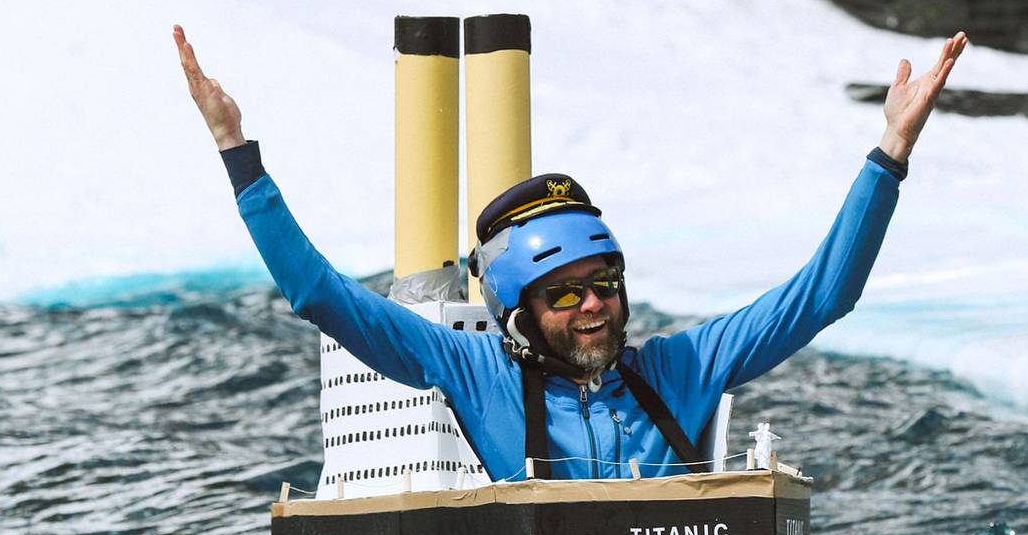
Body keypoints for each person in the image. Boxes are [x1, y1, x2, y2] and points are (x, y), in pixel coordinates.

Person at [174, 24, 966, 482]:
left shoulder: (680, 371)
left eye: (605, 285)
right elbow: (320, 296)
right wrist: (236, 152)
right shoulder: (474, 373)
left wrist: (890, 151)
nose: (594, 305)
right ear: (519, 315)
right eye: (565, 294)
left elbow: (822, 295)